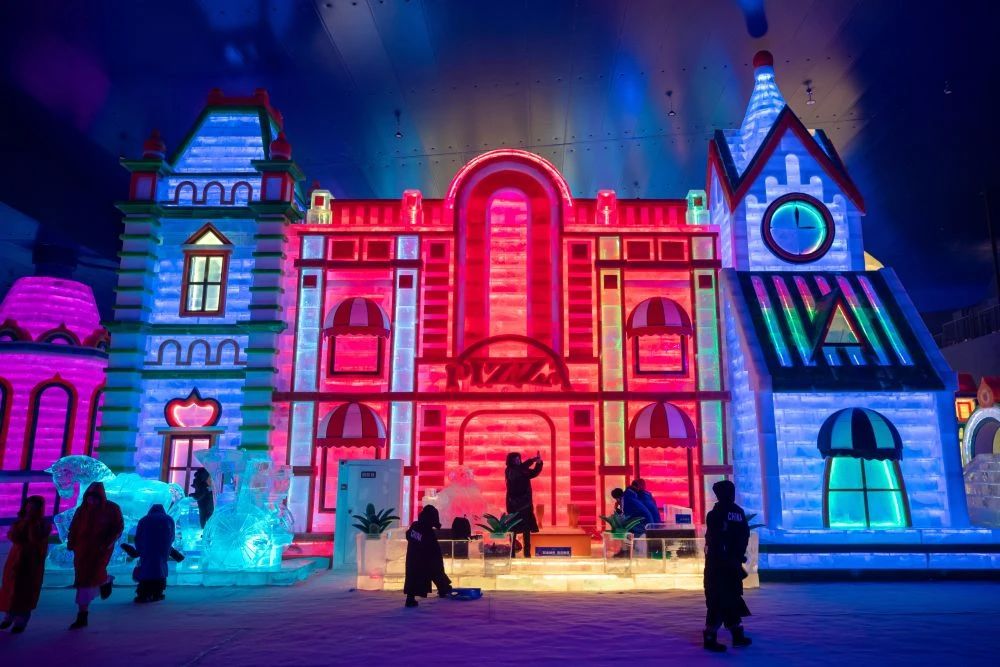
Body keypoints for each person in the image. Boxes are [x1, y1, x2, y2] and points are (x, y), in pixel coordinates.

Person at [66, 482, 124, 630]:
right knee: (84, 579)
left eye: (95, 497)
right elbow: (74, 527)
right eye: (89, 497)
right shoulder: (82, 510)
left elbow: (118, 527)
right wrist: (72, 543)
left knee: (89, 579)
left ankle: (83, 613)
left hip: (99, 551)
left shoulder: (111, 509)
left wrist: (107, 543)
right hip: (82, 551)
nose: (91, 500)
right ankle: (102, 584)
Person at [702, 480, 751, 652]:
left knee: (719, 599)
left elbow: (713, 539)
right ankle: (735, 635)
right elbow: (744, 536)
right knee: (730, 598)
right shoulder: (738, 512)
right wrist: (737, 556)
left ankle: (715, 636)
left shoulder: (714, 514)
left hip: (717, 564)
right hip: (730, 564)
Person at [0, 496, 50, 633]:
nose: (31, 509)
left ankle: (20, 621)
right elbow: (13, 536)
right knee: (11, 587)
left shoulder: (42, 524)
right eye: (29, 505)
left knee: (26, 590)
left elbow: (35, 540)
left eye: (34, 506)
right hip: (15, 560)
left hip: (31, 562)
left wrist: (30, 525)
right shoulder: (20, 521)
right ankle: (9, 616)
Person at [404, 505, 452, 607]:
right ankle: (443, 589)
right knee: (435, 570)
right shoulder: (426, 530)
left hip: (414, 558)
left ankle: (410, 598)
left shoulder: (416, 526)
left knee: (413, 577)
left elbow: (409, 535)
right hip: (425, 558)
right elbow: (430, 546)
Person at [132, 504, 175, 603]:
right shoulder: (168, 519)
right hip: (162, 549)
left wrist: (139, 549)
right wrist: (168, 548)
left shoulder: (144, 520)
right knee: (160, 570)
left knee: (146, 570)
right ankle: (157, 593)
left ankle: (143, 593)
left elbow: (138, 537)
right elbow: (172, 536)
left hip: (147, 549)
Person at [505, 451, 543, 558]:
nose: (517, 461)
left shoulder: (522, 469)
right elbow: (517, 472)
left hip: (526, 504)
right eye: (515, 459)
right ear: (510, 461)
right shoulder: (510, 470)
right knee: (513, 529)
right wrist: (531, 460)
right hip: (514, 504)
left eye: (518, 459)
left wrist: (538, 463)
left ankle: (527, 553)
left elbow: (533, 473)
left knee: (526, 529)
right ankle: (512, 553)